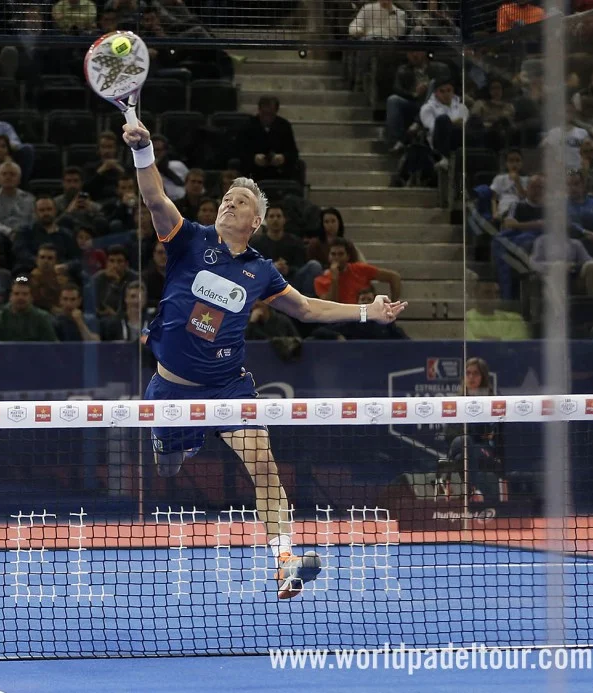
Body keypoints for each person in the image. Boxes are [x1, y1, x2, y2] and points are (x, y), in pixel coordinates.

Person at [122, 120, 407, 599]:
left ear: (255, 222)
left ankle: (285, 560)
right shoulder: (188, 238)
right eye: (227, 197)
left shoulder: (260, 270)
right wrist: (144, 149)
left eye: (240, 201)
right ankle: (181, 446)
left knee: (265, 466)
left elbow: (308, 308)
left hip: (229, 386)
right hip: (171, 388)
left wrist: (367, 311)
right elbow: (154, 198)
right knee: (168, 465)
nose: (229, 201)